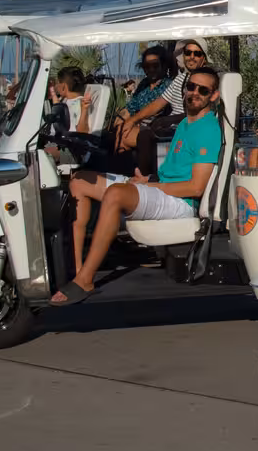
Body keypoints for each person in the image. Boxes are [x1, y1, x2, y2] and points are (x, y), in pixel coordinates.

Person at [53, 64, 225, 305]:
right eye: (191, 87)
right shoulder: (187, 122)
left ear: (214, 96)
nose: (194, 93)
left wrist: (150, 188)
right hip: (162, 190)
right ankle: (79, 269)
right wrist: (147, 181)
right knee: (80, 181)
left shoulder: (207, 129)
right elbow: (173, 173)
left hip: (180, 203)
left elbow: (195, 188)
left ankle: (85, 280)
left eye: (203, 90)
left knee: (115, 194)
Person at [112, 45, 179, 172]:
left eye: (154, 65)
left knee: (122, 134)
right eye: (146, 66)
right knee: (114, 132)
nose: (150, 69)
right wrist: (119, 119)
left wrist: (129, 122)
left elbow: (156, 110)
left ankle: (122, 173)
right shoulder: (144, 84)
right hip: (138, 125)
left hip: (157, 129)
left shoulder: (169, 85)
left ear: (164, 65)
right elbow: (131, 106)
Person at [49, 66, 91, 134]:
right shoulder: (66, 100)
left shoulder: (80, 104)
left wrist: (84, 109)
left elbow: (83, 133)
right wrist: (52, 90)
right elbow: (57, 106)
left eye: (58, 83)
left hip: (65, 143)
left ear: (63, 86)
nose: (56, 86)